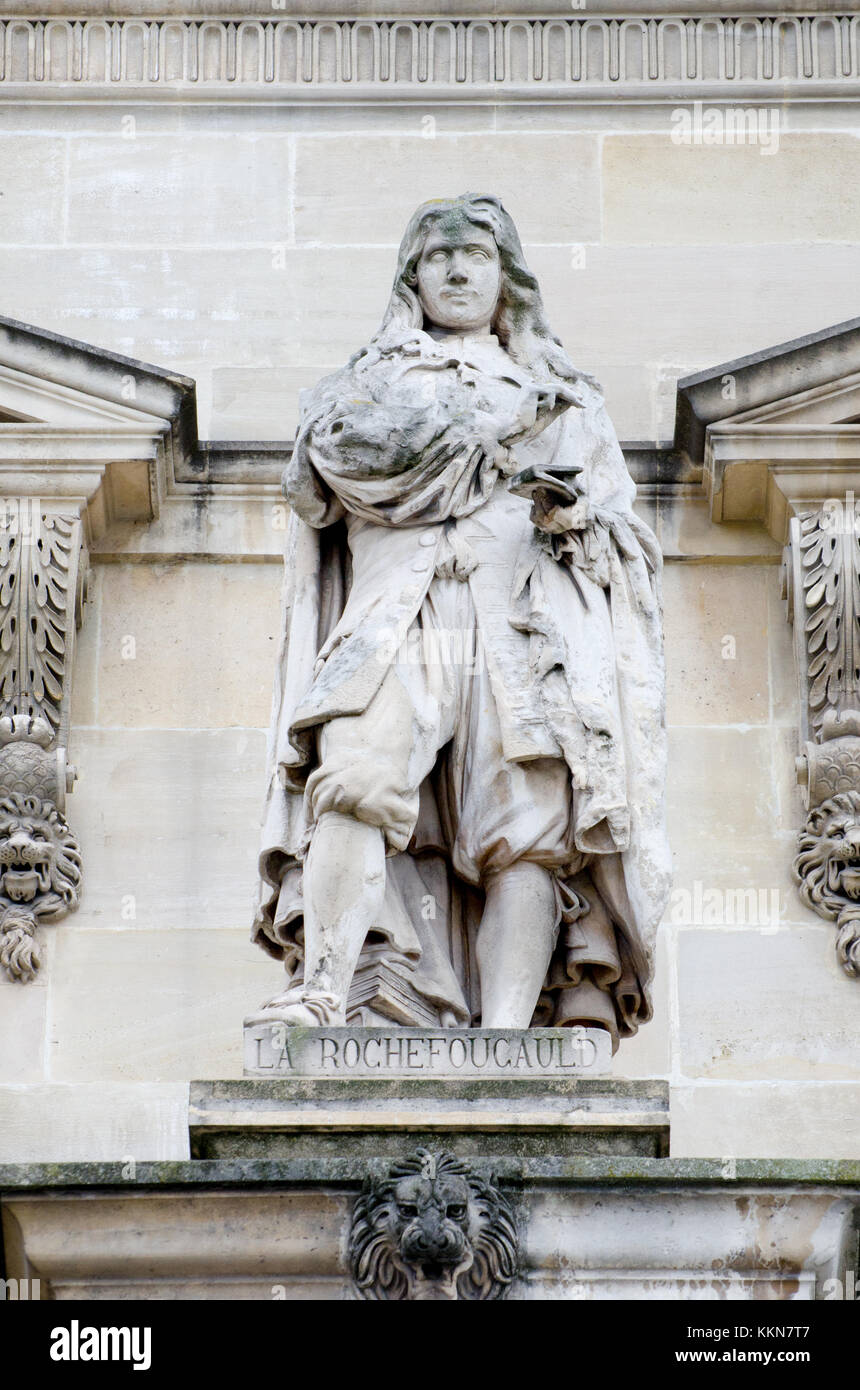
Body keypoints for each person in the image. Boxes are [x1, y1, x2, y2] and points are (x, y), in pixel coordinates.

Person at [250, 193, 670, 1050]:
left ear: (505, 275)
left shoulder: (566, 397)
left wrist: (570, 514)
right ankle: (324, 992)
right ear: (412, 278)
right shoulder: (368, 380)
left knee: (528, 830)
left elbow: (627, 537)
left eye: (476, 253)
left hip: (522, 625)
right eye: (437, 256)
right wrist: (490, 441)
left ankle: (509, 1038)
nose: (456, 269)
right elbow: (331, 467)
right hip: (398, 613)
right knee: (355, 777)